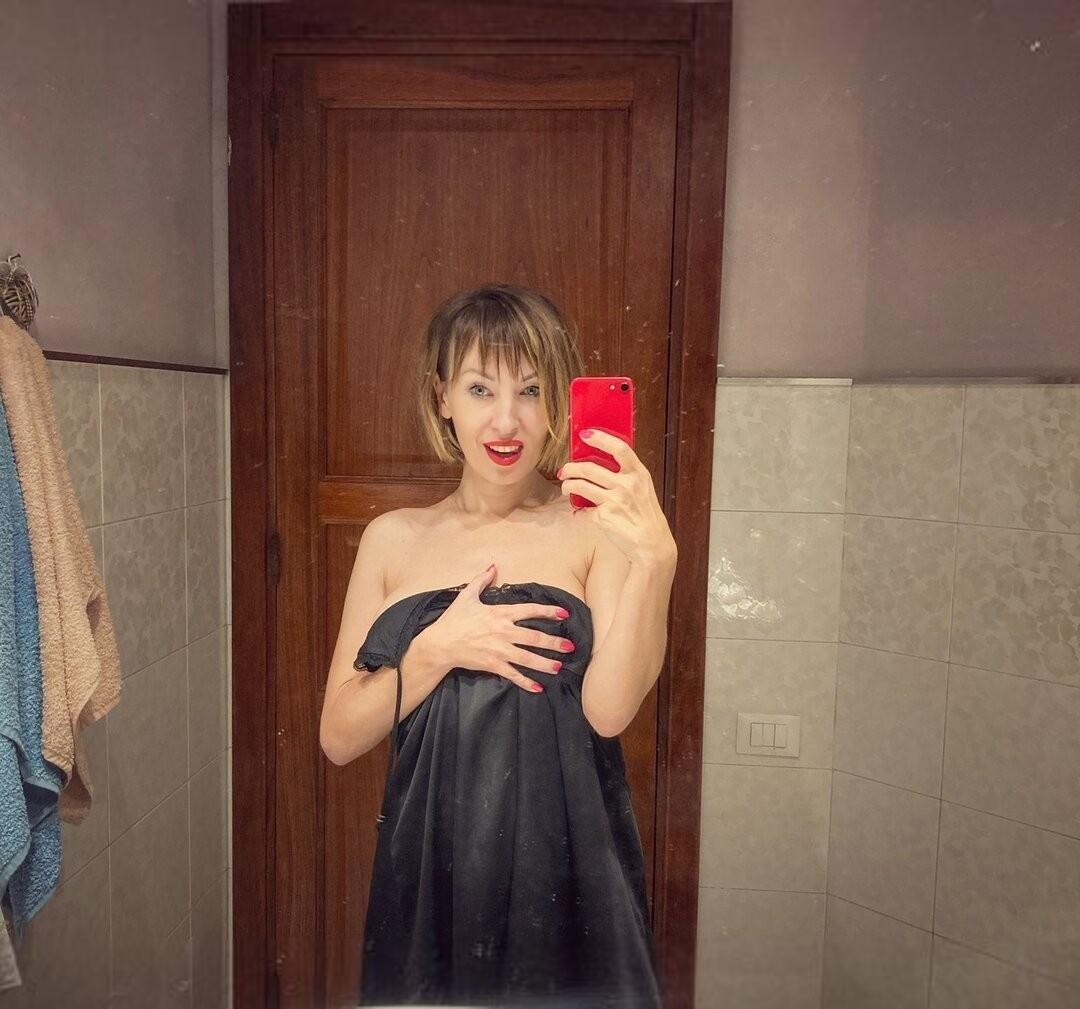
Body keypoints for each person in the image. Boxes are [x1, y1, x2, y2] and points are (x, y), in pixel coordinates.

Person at [319, 284, 678, 1008]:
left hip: (567, 862)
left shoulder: (592, 529)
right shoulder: (393, 539)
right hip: (434, 862)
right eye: (481, 388)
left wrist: (656, 562)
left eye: (531, 390)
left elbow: (609, 711)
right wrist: (437, 648)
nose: (507, 420)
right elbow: (337, 736)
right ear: (442, 396)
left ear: (561, 402)